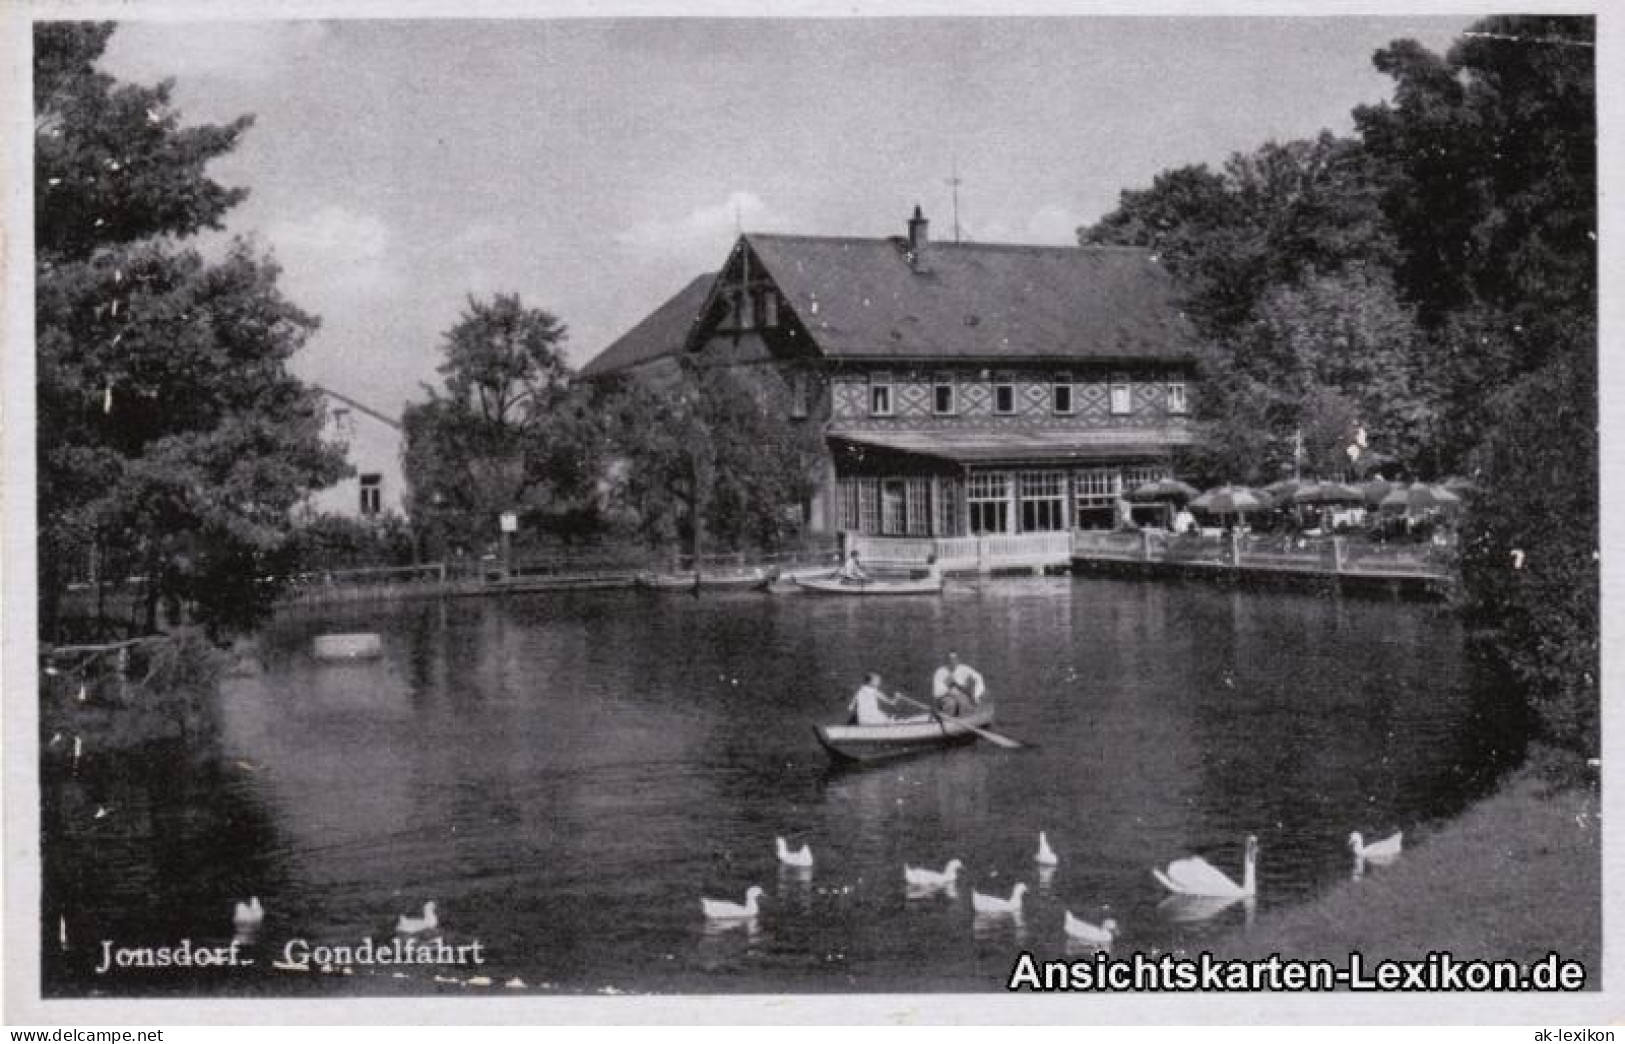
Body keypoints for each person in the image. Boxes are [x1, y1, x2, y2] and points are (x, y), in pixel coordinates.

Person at [848, 672, 927, 725]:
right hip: (872, 718)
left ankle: (894, 722)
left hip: (863, 719)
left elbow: (850, 707)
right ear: (870, 682)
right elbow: (892, 703)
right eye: (877, 680)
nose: (879, 682)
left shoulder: (860, 690)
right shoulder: (875, 692)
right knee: (892, 722)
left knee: (890, 720)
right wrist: (897, 697)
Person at [932, 652, 986, 716]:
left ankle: (967, 715)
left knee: (966, 702)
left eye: (954, 659)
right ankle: (947, 720)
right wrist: (951, 691)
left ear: (958, 660)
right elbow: (937, 693)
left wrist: (976, 694)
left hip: (961, 696)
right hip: (945, 698)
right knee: (951, 704)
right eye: (950, 660)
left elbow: (978, 677)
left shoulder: (964, 668)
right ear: (946, 661)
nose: (952, 662)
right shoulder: (940, 672)